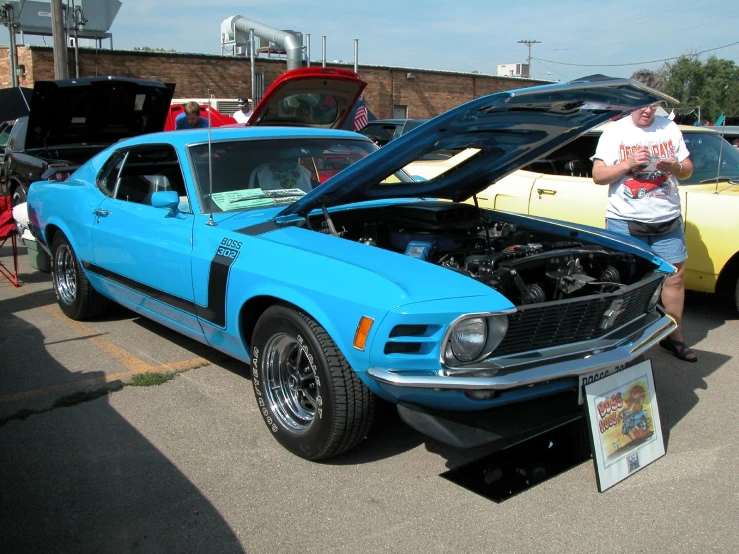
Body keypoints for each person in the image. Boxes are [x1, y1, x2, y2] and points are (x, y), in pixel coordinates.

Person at [592, 69, 697, 362]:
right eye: (642, 104)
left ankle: (673, 336)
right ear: (631, 101)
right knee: (625, 282)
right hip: (625, 220)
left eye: (653, 104)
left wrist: (673, 166)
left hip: (667, 218)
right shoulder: (615, 131)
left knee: (675, 278)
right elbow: (598, 176)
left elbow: (688, 170)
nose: (648, 111)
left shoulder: (669, 128)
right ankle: (619, 342)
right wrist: (626, 163)